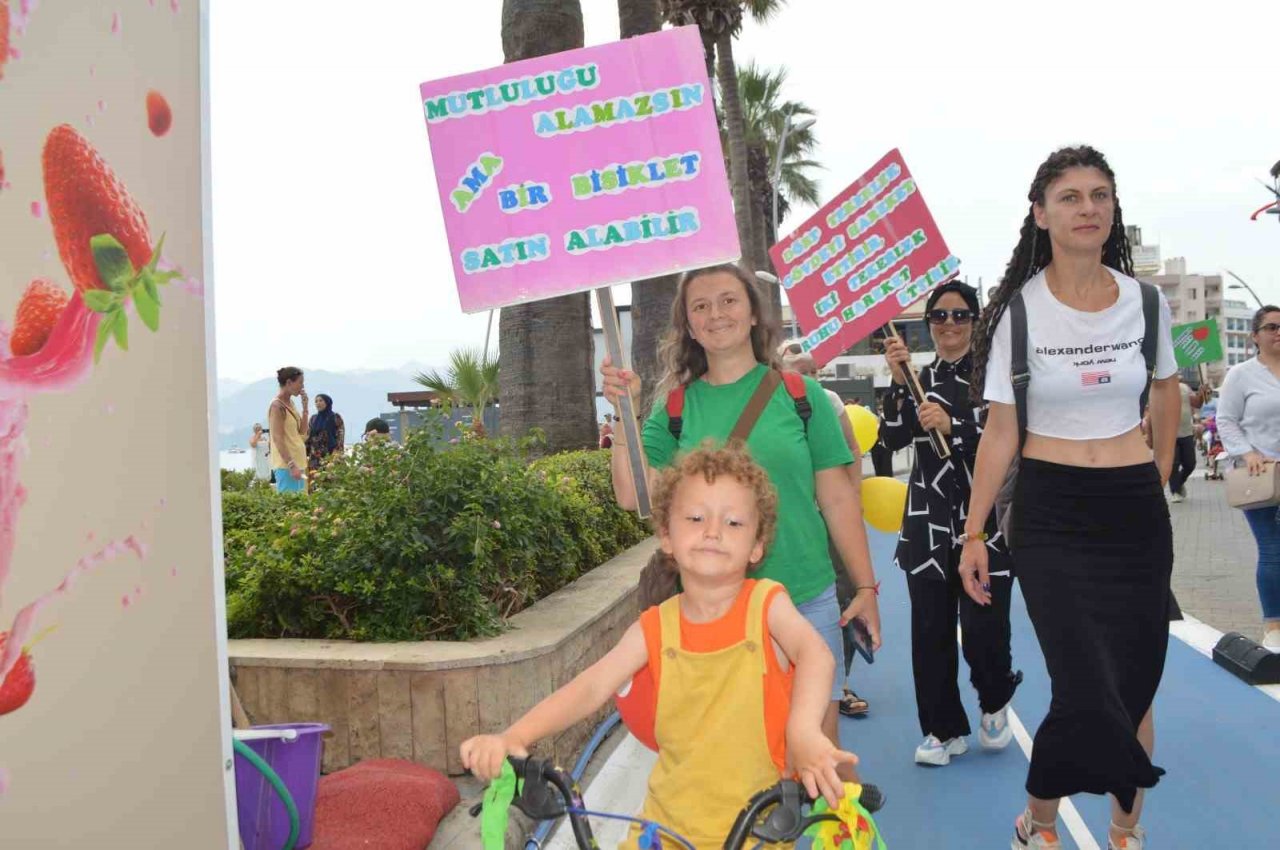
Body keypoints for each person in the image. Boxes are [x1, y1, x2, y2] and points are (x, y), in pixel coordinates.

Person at [460, 446, 859, 847]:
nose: (713, 530)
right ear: (667, 535)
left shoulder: (767, 606)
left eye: (734, 522)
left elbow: (815, 655)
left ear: (757, 546)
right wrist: (515, 736)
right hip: (660, 833)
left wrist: (805, 731)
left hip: (755, 831)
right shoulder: (656, 627)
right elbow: (592, 686)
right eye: (696, 517)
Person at [960, 146, 1179, 850]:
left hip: (1134, 512)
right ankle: (1043, 823)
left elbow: (1167, 392)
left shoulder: (1147, 301)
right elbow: (1000, 432)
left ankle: (1124, 830)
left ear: (1113, 209)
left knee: (1135, 685)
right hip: (1052, 514)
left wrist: (1158, 473)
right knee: (1084, 683)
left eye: (1099, 195)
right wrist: (972, 535)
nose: (1087, 208)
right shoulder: (1018, 315)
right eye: (1070, 196)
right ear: (1041, 213)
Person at [600, 264, 881, 782]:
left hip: (803, 594)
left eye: (728, 300)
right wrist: (625, 412)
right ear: (687, 324)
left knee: (819, 754)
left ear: (754, 312)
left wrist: (865, 586)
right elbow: (630, 494)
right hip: (714, 610)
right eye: (700, 306)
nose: (716, 314)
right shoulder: (676, 407)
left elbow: (839, 498)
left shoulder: (801, 396)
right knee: (738, 761)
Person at [880, 280, 1022, 767]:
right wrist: (899, 384)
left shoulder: (996, 381)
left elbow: (1009, 439)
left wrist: (954, 426)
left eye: (960, 315)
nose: (949, 325)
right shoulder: (918, 380)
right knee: (929, 634)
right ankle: (942, 729)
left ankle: (995, 696)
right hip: (925, 523)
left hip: (983, 528)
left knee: (985, 632)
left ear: (976, 321)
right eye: (938, 316)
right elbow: (891, 438)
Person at [782, 345, 871, 718]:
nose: (808, 377)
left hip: (829, 521)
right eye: (799, 370)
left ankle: (841, 683)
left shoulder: (827, 401)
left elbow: (850, 449)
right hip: (795, 523)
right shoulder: (773, 397)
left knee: (842, 599)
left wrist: (850, 501)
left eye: (812, 371)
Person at [1214, 304, 1280, 650]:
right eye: (1271, 327)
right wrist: (1248, 452)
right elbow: (1225, 420)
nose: (1278, 332)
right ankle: (1273, 628)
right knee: (1272, 550)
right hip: (1261, 474)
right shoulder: (1241, 375)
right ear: (1255, 336)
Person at [268, 367, 309, 494]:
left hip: (299, 462)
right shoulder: (277, 406)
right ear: (289, 382)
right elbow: (277, 438)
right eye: (300, 382)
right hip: (287, 466)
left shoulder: (290, 403)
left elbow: (302, 432)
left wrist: (305, 408)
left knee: (301, 506)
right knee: (289, 507)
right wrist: (291, 465)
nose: (302, 387)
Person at [306, 393, 345, 471]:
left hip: (330, 455)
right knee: (315, 480)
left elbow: (340, 436)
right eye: (316, 401)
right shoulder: (313, 419)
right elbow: (309, 436)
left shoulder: (335, 417)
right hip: (315, 457)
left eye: (321, 400)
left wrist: (336, 454)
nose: (318, 403)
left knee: (330, 480)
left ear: (327, 402)